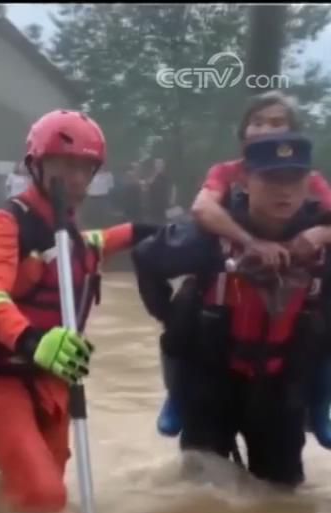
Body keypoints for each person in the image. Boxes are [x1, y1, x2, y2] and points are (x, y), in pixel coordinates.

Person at [0, 110, 154, 513]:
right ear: (36, 165)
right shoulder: (3, 223)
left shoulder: (69, 232)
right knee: (43, 496)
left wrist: (141, 232)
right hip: (1, 373)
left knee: (50, 492)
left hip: (53, 376)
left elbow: (90, 244)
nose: (77, 179)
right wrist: (32, 340)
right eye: (65, 165)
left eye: (86, 168)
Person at [133, 133, 331, 486]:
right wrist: (172, 318)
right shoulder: (208, 237)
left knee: (281, 501)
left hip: (281, 390)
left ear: (309, 185)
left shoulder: (322, 240)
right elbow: (146, 257)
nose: (284, 191)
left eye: (294, 180)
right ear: (246, 182)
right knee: (200, 498)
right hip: (211, 382)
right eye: (271, 178)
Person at [191, 91, 331, 269]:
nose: (265, 130)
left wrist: (321, 234)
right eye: (257, 122)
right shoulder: (225, 171)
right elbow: (202, 208)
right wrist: (251, 241)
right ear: (244, 130)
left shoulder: (311, 179)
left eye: (277, 123)